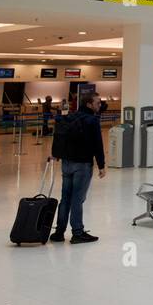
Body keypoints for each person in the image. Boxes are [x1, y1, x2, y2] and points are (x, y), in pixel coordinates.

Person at [50, 93, 105, 244]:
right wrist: (101, 165)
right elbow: (97, 144)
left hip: (66, 163)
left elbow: (60, 136)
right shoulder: (92, 120)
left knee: (65, 198)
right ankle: (78, 232)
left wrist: (57, 154)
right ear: (89, 104)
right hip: (82, 164)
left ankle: (59, 232)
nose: (99, 105)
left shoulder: (70, 117)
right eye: (97, 103)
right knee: (77, 199)